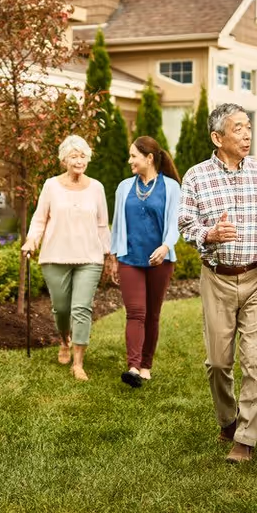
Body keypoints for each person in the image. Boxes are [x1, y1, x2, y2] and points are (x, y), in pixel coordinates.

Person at [178, 103, 257, 463]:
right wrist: (210, 233)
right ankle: (227, 418)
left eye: (249, 127)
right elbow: (186, 226)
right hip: (218, 279)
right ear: (217, 137)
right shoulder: (197, 176)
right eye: (238, 128)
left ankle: (246, 439)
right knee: (218, 362)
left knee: (255, 361)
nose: (248, 134)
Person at [22, 135, 111, 381]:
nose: (79, 160)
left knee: (81, 308)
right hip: (55, 255)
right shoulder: (51, 186)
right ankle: (64, 339)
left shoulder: (97, 188)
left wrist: (109, 252)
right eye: (74, 156)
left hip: (89, 257)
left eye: (83, 156)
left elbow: (102, 225)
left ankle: (78, 363)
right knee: (61, 308)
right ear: (64, 160)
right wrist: (32, 240)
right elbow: (40, 218)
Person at [108, 136, 181, 389]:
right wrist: (114, 255)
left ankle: (146, 365)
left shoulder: (171, 187)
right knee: (136, 313)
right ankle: (133, 366)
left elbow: (174, 224)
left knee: (152, 314)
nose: (130, 161)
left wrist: (165, 246)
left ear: (149, 158)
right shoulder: (124, 187)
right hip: (130, 258)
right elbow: (117, 224)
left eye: (133, 156)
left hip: (161, 260)